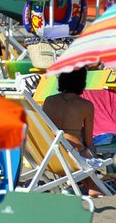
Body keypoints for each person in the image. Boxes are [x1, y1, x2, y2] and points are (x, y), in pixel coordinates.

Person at [42, 67, 102, 197]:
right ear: (82, 82)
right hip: (72, 157)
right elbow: (88, 140)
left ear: (62, 79)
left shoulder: (49, 100)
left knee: (74, 151)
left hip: (49, 155)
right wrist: (95, 158)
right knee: (85, 153)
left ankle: (80, 181)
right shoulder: (86, 105)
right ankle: (91, 184)